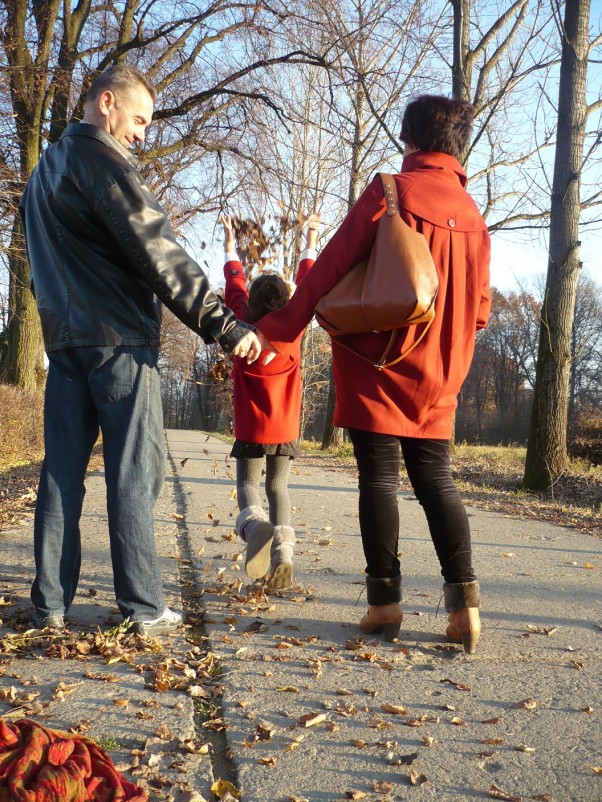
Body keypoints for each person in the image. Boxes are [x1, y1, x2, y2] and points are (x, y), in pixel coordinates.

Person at [19, 64, 261, 635]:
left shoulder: (40, 175)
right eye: (139, 119)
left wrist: (60, 324)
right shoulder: (103, 163)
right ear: (107, 104)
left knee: (60, 475)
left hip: (67, 346)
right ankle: (144, 607)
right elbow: (160, 253)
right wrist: (225, 326)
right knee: (135, 473)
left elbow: (38, 270)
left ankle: (50, 605)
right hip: (119, 345)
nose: (142, 133)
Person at [256, 95, 491, 653]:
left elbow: (331, 267)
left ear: (411, 139)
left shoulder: (392, 192)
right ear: (457, 146)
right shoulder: (474, 214)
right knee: (438, 482)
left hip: (380, 363)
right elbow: (480, 309)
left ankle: (385, 602)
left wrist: (281, 326)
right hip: (441, 371)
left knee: (379, 480)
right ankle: (465, 608)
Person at [220, 212, 319, 589]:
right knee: (279, 489)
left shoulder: (241, 327)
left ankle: (253, 526)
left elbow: (234, 285)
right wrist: (310, 240)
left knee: (248, 487)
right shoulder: (292, 328)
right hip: (285, 427)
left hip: (250, 426)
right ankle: (284, 562)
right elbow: (309, 286)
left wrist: (231, 246)